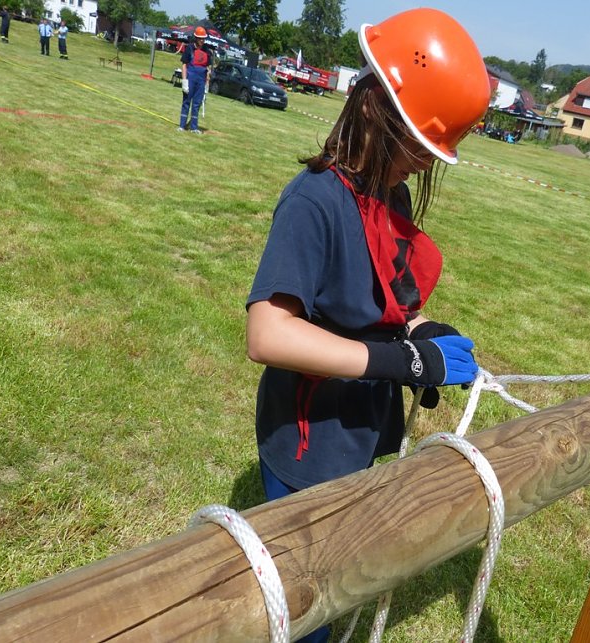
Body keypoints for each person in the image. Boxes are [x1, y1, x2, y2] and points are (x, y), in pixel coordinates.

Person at [245, 8, 489, 640]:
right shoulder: (313, 200)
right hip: (308, 441)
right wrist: (397, 363)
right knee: (306, 603)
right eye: (419, 145)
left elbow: (388, 303)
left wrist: (425, 333)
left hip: (358, 431)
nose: (422, 164)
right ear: (377, 110)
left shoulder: (391, 196)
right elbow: (268, 333)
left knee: (341, 576)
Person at [177, 26, 211, 134]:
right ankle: (182, 125)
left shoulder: (207, 51)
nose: (202, 40)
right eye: (200, 38)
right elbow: (184, 65)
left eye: (203, 38)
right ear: (196, 37)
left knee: (196, 104)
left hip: (201, 81)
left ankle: (194, 127)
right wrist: (184, 81)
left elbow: (209, 69)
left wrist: (207, 85)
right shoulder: (189, 48)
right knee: (186, 102)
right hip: (190, 78)